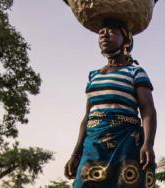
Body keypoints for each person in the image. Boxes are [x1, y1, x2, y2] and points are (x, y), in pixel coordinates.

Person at [64, 19, 157, 188]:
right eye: (101, 32)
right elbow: (87, 116)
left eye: (112, 31)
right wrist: (76, 154)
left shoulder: (135, 72)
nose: (104, 35)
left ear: (126, 40)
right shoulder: (94, 75)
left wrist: (148, 144)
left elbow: (148, 110)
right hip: (93, 145)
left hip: (126, 144)